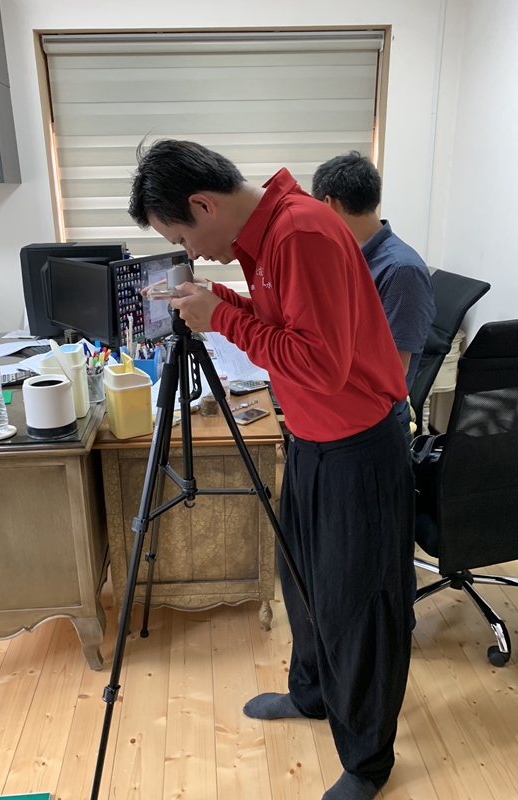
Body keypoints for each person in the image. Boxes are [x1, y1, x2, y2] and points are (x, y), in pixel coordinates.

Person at [129, 139, 415, 800]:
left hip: (358, 448)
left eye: (182, 237)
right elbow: (283, 322)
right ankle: (313, 695)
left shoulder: (301, 233)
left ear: (203, 204)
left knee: (358, 606)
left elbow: (321, 365)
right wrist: (221, 299)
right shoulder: (268, 238)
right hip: (313, 439)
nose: (191, 251)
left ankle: (368, 761)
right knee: (304, 580)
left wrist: (222, 318)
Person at [312, 151, 436, 439]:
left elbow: (394, 371)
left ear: (329, 203)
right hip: (340, 405)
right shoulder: (344, 255)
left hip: (374, 424)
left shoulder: (402, 270)